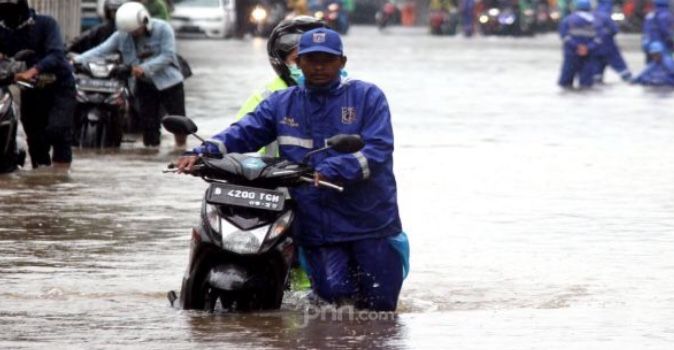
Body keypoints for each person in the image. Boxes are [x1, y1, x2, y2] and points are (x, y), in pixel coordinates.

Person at [176, 28, 409, 311]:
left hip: (370, 221)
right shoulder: (281, 103)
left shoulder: (368, 97)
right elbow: (244, 132)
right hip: (319, 224)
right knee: (334, 298)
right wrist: (201, 153)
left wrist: (333, 168)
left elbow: (378, 149)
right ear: (298, 63)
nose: (319, 66)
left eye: (327, 59)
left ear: (342, 62)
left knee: (381, 308)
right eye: (311, 59)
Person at [75, 1, 187, 148]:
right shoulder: (122, 35)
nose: (133, 35)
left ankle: (180, 148)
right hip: (144, 84)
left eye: (136, 31)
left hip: (169, 83)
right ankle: (151, 152)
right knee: (149, 124)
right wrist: (76, 60)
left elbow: (168, 55)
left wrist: (143, 68)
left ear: (144, 21)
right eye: (130, 32)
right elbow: (101, 50)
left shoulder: (163, 29)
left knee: (178, 121)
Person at [0, 0, 76, 170]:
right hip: (30, 91)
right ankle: (41, 181)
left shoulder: (46, 24)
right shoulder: (3, 30)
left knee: (58, 131)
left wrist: (32, 71)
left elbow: (56, 54)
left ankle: (60, 179)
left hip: (59, 88)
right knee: (35, 141)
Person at [558, 0, 600, 89]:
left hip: (571, 54)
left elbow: (564, 37)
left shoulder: (568, 20)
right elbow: (599, 39)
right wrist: (587, 48)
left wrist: (577, 46)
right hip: (588, 55)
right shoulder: (596, 21)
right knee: (586, 84)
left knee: (565, 83)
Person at [592, 0, 631, 83]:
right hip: (608, 46)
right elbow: (615, 30)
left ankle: (597, 82)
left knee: (596, 72)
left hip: (594, 46)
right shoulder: (606, 15)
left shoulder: (592, 15)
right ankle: (629, 80)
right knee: (621, 68)